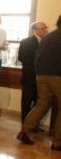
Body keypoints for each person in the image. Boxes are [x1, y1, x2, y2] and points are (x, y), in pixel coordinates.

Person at [17, 15, 61, 151]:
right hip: (57, 76)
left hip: (40, 75)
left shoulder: (48, 37)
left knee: (42, 104)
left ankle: (25, 131)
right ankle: (58, 142)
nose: (45, 29)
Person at [18, 21, 48, 123]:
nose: (46, 30)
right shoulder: (26, 42)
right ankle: (25, 124)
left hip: (43, 78)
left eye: (45, 28)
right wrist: (39, 64)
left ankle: (33, 124)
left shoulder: (47, 41)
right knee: (26, 102)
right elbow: (22, 58)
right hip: (29, 77)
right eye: (43, 28)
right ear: (35, 30)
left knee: (38, 102)